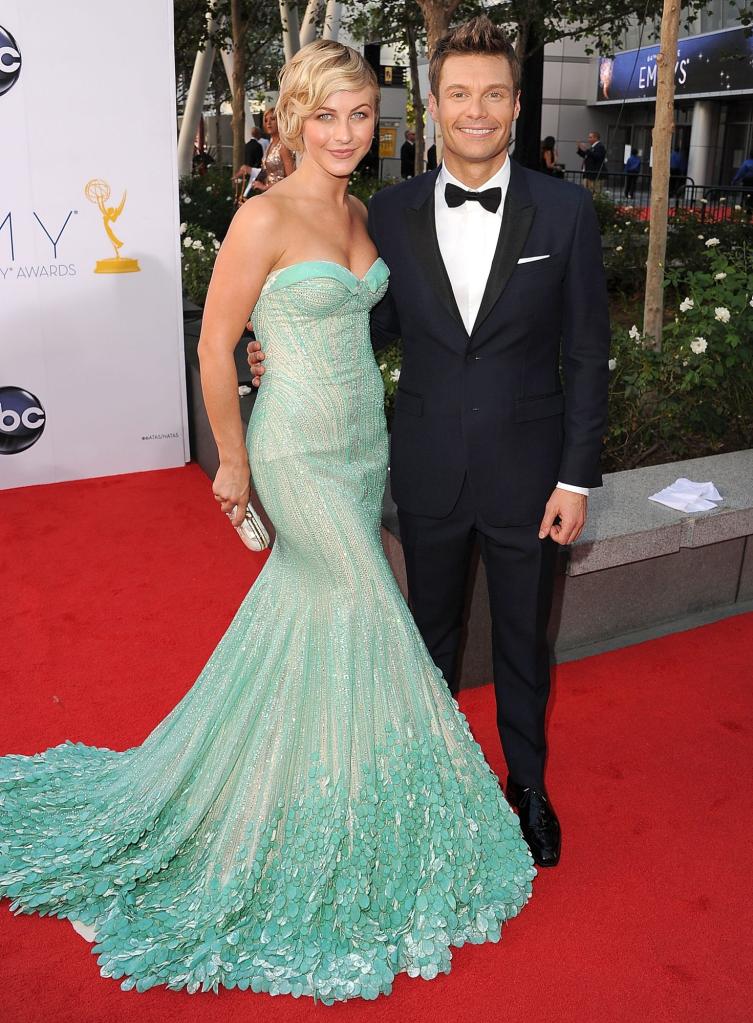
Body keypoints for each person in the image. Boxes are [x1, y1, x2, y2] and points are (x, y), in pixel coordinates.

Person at [0, 39, 535, 1003]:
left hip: (361, 444)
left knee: (316, 627)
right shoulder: (262, 215)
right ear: (290, 118)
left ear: (378, 120)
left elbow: (358, 321)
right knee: (369, 605)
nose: (342, 132)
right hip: (292, 452)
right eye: (324, 114)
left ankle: (300, 790)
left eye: (359, 114)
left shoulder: (367, 212)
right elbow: (214, 342)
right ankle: (352, 821)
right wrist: (236, 459)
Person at [250, 17, 611, 870]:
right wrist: (279, 348)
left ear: (516, 106)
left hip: (531, 476)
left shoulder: (564, 211)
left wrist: (576, 478)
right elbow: (367, 320)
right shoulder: (391, 209)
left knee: (525, 641)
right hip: (425, 468)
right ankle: (428, 783)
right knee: (425, 642)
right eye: (459, 95)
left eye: (493, 94)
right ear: (434, 108)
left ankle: (527, 786)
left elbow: (586, 351)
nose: (475, 111)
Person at [252, 107, 295, 191]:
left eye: (272, 119)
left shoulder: (283, 146)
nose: (268, 123)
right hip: (270, 194)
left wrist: (265, 187)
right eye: (266, 120)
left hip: (282, 196)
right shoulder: (270, 144)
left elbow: (291, 179)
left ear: (281, 121)